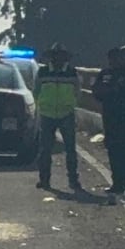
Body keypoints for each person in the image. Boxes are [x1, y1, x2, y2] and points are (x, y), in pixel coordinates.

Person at [34, 43, 82, 191]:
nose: (57, 59)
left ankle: (73, 179)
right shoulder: (43, 72)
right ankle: (44, 179)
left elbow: (78, 91)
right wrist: (41, 106)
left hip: (66, 113)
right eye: (55, 56)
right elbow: (36, 90)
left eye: (60, 56)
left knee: (70, 149)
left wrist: (71, 105)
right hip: (47, 113)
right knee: (45, 150)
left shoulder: (71, 72)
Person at [92, 47, 125, 194]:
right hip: (110, 117)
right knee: (113, 150)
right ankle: (118, 183)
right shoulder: (106, 74)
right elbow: (97, 91)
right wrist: (110, 91)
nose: (113, 61)